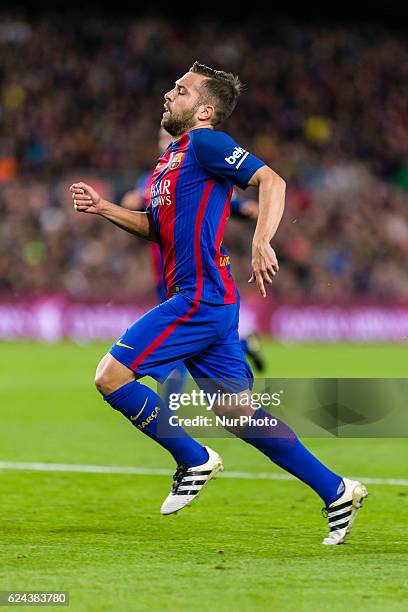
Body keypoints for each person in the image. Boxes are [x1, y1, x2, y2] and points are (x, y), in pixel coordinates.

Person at [70, 62, 367, 545]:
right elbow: (155, 228)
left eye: (181, 90)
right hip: (208, 300)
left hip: (198, 299)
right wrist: (105, 209)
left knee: (110, 376)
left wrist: (261, 241)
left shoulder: (207, 144)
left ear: (205, 109)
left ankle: (193, 458)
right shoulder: (171, 158)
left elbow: (272, 181)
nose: (169, 94)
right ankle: (336, 490)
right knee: (238, 414)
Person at [121, 128, 265, 405]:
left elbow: (225, 199)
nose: (165, 144)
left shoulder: (195, 166)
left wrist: (243, 209)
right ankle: (246, 345)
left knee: (179, 343)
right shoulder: (155, 177)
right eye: (161, 140)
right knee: (188, 341)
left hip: (191, 275)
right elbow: (138, 203)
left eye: (168, 139)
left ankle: (168, 412)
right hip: (165, 272)